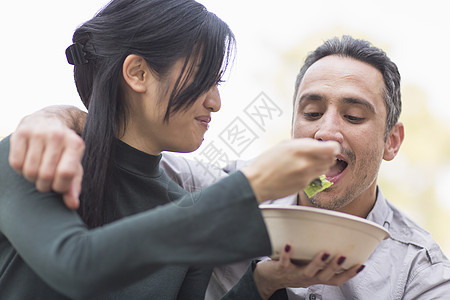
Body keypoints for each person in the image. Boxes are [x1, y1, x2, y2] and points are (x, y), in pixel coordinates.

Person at [11, 35, 450, 299]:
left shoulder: (422, 271)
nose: (326, 132)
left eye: (354, 117)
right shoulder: (216, 189)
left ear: (392, 142)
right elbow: (129, 149)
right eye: (312, 113)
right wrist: (57, 117)